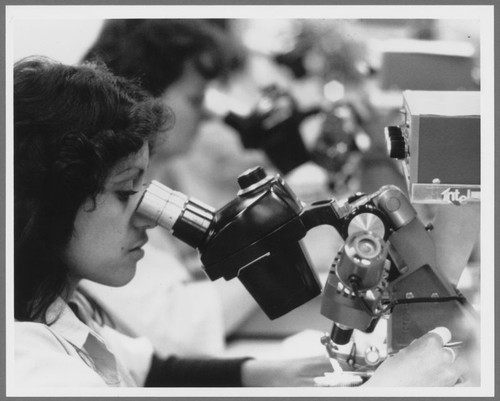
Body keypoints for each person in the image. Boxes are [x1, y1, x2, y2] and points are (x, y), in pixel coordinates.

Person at [13, 56, 468, 389]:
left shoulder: (58, 310)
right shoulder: (32, 369)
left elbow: (151, 372)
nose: (148, 218)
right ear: (48, 202)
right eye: (125, 190)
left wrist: (266, 374)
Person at [79, 19, 269, 357]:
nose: (209, 115)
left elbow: (184, 270)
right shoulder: (97, 197)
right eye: (196, 99)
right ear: (147, 98)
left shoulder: (161, 172)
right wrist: (278, 258)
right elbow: (178, 332)